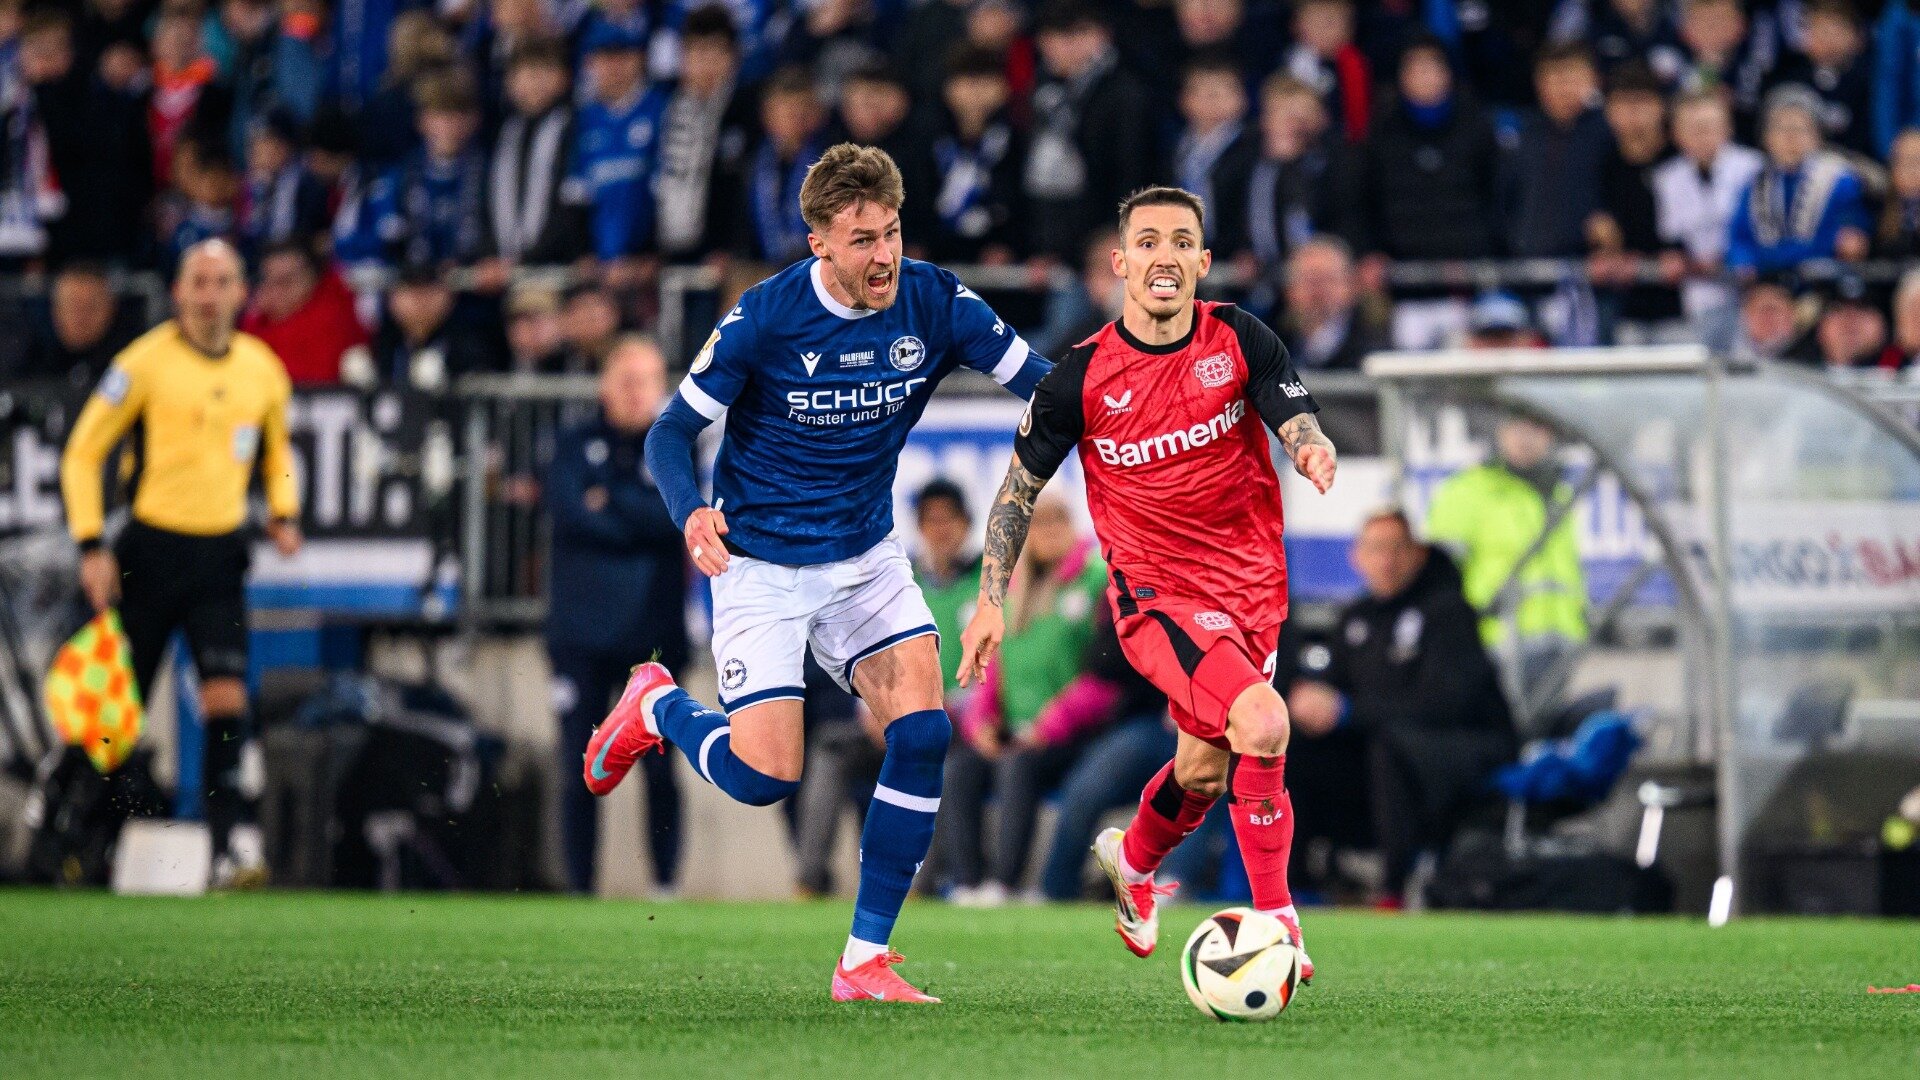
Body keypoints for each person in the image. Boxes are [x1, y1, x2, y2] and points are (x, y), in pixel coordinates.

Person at [589, 144, 1051, 1004]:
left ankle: (863, 962)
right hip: (760, 564)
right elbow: (666, 434)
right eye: (864, 239)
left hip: (865, 558)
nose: (885, 255)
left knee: (922, 733)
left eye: (894, 232)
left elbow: (1047, 389)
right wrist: (692, 510)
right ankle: (656, 703)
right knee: (765, 778)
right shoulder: (762, 319)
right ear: (819, 245)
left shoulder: (936, 300)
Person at [959, 186, 1335, 980]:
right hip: (1156, 597)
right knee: (1263, 722)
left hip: (1251, 592)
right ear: (1121, 262)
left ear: (1201, 261)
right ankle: (1278, 925)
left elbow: (1292, 413)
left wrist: (1310, 446)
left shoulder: (1238, 338)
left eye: (1182, 242)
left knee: (1206, 769)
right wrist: (990, 597)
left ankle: (1131, 863)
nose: (1165, 255)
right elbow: (1017, 491)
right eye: (1148, 241)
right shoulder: (1080, 377)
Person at [58, 239, 301, 887]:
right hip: (149, 552)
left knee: (225, 700)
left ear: (240, 291)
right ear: (178, 292)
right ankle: (78, 841)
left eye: (221, 282)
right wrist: (90, 545)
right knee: (115, 713)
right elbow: (82, 453)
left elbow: (278, 450)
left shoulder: (261, 369)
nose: (208, 294)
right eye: (197, 281)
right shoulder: (143, 364)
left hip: (220, 554)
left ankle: (227, 850)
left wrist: (284, 510)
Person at [1287, 509, 1517, 907]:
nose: (1386, 561)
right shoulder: (1355, 618)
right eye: (1375, 550)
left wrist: (1345, 711)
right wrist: (1313, 702)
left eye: (1397, 549)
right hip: (1384, 759)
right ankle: (1295, 887)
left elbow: (1442, 704)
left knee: (1389, 744)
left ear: (1417, 555)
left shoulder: (1448, 613)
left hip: (1469, 747)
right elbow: (1337, 687)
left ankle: (1393, 889)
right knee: (1290, 747)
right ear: (1356, 557)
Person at [543, 336, 687, 896]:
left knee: (659, 767)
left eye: (646, 380)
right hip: (578, 635)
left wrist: (613, 499)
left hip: (653, 638)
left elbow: (673, 518)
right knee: (580, 763)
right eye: (624, 379)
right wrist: (637, 513)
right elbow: (570, 511)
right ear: (603, 385)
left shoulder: (675, 446)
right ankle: (580, 886)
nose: (634, 391)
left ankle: (665, 884)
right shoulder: (572, 443)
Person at [943, 496, 1106, 904]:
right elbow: (992, 668)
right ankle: (967, 882)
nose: (1049, 531)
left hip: (1072, 736)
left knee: (1018, 767)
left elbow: (1103, 677)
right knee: (961, 767)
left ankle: (1005, 882)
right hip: (1015, 729)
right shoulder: (1012, 591)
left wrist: (1050, 724)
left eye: (1058, 520)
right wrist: (980, 721)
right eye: (1039, 522)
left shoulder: (1095, 579)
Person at [1424, 416, 1587, 680]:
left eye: (1536, 426)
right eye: (1515, 425)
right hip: (1493, 646)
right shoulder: (1467, 490)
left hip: (1559, 647)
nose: (1525, 438)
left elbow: (1568, 567)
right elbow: (1437, 574)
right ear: (1498, 431)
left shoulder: (1560, 493)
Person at [1022, 2, 1158, 262]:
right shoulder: (1045, 93)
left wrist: (1116, 231)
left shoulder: (1124, 93)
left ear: (1100, 35)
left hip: (1106, 245)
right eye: (1051, 36)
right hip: (1054, 244)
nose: (1056, 46)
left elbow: (1133, 170)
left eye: (1072, 34)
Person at [1725, 83, 1871, 275]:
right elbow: (1739, 240)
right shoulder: (1755, 184)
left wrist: (1772, 257)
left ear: (1818, 136)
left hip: (1822, 283)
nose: (1790, 138)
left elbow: (1845, 241)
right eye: (1781, 129)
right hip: (1768, 282)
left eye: (1799, 129)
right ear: (1766, 138)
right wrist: (1745, 262)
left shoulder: (1840, 181)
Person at [1653, 89, 1764, 339]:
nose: (1701, 136)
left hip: (1749, 288)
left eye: (1708, 127)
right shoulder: (1667, 178)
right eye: (1692, 128)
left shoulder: (1754, 167)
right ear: (1676, 134)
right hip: (1699, 294)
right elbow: (1671, 236)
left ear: (1727, 128)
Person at [1501, 42, 1610, 260]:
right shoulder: (1520, 136)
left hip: (1595, 268)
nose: (1563, 87)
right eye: (1553, 77)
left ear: (1594, 79)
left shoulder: (1610, 133)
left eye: (1571, 76)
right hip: (1527, 268)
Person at [239, 240, 368, 385]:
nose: (275, 291)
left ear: (311, 279)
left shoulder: (335, 315)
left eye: (286, 281)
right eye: (269, 280)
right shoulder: (255, 325)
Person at [17, 263, 140, 391]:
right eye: (73, 306)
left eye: (90, 307)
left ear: (110, 309)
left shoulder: (131, 364)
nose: (81, 317)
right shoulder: (33, 365)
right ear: (55, 310)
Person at [1276, 236, 1383, 371]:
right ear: (1289, 290)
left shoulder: (1374, 348)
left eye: (1328, 280)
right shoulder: (1272, 342)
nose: (1318, 292)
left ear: (1351, 286)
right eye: (1309, 281)